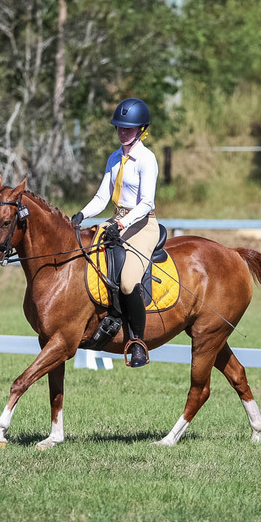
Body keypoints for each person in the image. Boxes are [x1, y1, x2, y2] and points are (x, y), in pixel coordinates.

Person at [71, 97, 159, 368]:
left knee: (127, 281)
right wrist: (83, 214)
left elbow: (146, 203)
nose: (122, 132)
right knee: (85, 257)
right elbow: (102, 196)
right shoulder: (114, 157)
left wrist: (121, 225)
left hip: (142, 225)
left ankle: (138, 344)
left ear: (141, 129)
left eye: (128, 128)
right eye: (119, 127)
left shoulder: (147, 159)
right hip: (115, 221)